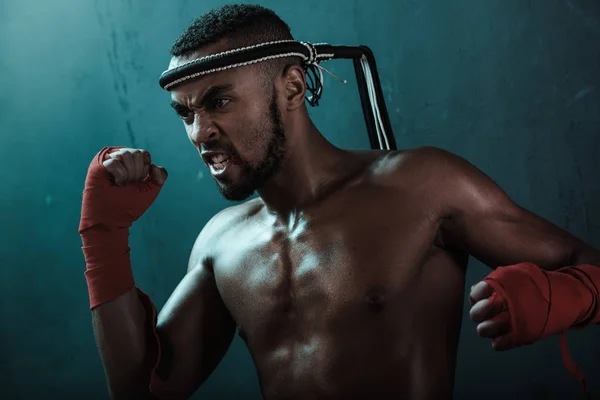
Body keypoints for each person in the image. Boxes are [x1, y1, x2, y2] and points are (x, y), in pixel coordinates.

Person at [78, 4, 600, 400]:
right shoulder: (221, 243)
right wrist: (103, 237)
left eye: (219, 101)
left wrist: (566, 296)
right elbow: (140, 390)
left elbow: (590, 268)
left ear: (293, 85)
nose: (200, 132)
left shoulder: (421, 185)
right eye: (184, 113)